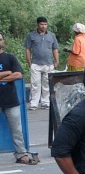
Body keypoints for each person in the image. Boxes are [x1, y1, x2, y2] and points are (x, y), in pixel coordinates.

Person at [0, 32, 36, 165]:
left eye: (0, 39)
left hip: (10, 100)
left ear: (3, 41)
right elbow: (11, 73)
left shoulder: (10, 58)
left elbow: (18, 75)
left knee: (17, 129)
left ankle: (21, 154)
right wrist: (7, 73)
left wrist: (5, 75)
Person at [24, 16, 59, 110]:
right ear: (37, 24)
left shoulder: (51, 35)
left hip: (48, 64)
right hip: (35, 64)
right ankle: (34, 103)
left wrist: (56, 61)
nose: (43, 26)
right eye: (41, 24)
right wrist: (29, 62)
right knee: (35, 84)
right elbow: (28, 49)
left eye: (45, 24)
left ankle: (45, 102)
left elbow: (55, 49)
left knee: (47, 84)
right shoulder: (31, 35)